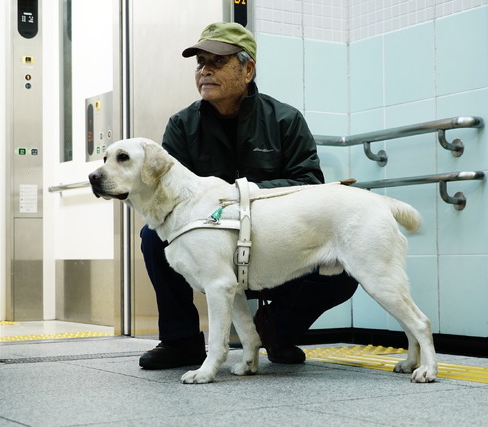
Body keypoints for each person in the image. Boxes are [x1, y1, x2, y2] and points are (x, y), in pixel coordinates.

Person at [139, 22, 359, 369]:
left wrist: (239, 195)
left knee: (345, 265)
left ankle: (275, 330)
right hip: (210, 243)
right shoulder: (182, 125)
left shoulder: (285, 120)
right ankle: (181, 340)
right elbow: (166, 196)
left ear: (248, 69)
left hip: (273, 239)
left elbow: (308, 182)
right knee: (153, 236)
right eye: (200, 63)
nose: (205, 70)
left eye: (218, 61)